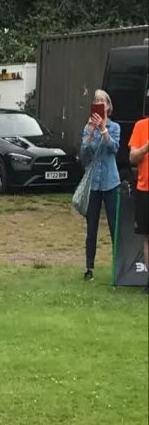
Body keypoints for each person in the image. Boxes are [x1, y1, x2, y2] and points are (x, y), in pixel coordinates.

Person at [80, 89, 121, 281]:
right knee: (92, 227)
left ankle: (119, 268)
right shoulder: (87, 128)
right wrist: (90, 133)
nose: (99, 103)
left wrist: (103, 128)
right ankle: (89, 268)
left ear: (108, 106)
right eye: (96, 100)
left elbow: (113, 148)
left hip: (111, 182)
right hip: (94, 184)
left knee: (114, 226)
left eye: (102, 100)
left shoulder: (114, 127)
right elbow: (84, 154)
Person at [128, 113, 149, 292]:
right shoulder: (141, 126)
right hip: (145, 190)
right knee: (147, 236)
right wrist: (146, 148)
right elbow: (132, 157)